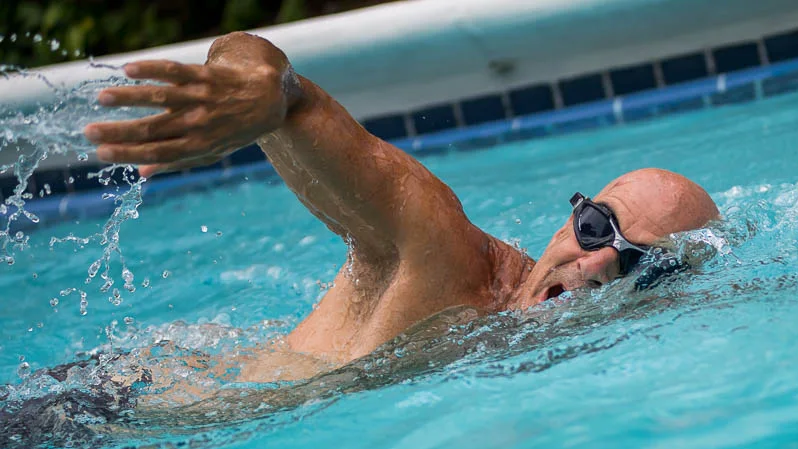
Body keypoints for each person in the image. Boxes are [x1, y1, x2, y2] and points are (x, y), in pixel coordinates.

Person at [80, 32, 720, 384]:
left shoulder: (524, 353)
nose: (601, 263)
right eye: (596, 228)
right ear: (567, 220)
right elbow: (286, 89)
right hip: (91, 419)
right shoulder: (444, 251)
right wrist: (260, 90)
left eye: (645, 266)